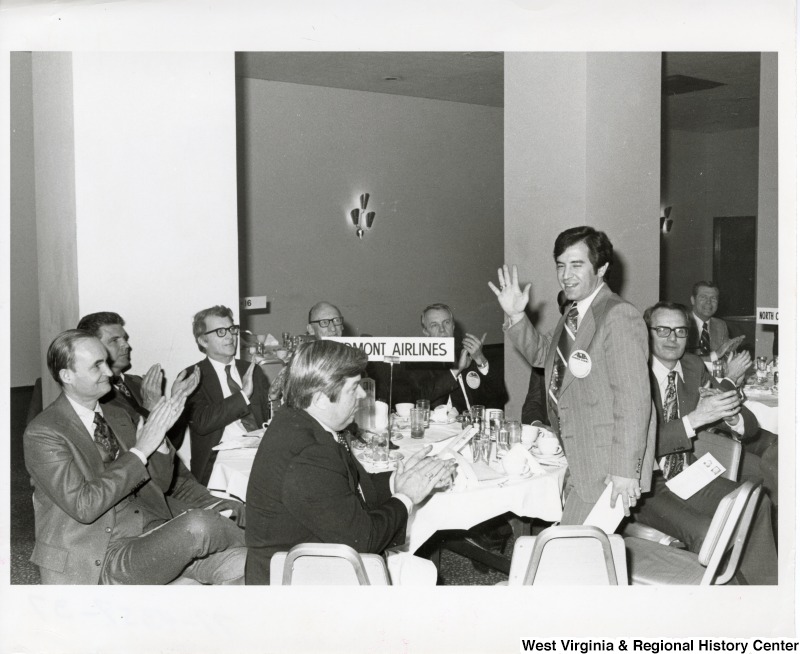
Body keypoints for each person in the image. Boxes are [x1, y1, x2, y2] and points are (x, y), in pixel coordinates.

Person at [24, 330, 246, 585]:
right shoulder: (44, 432)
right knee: (200, 524)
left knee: (252, 566)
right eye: (97, 366)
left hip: (152, 537)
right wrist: (140, 451)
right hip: (101, 556)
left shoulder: (117, 415)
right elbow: (84, 506)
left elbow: (159, 485)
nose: (108, 372)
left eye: (106, 362)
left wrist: (160, 443)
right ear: (67, 376)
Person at [245, 340, 457, 584]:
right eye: (353, 387)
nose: (363, 394)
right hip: (299, 582)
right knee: (424, 580)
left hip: (312, 559)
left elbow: (346, 487)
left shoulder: (301, 422)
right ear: (321, 398)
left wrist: (397, 480)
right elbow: (364, 541)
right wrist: (406, 497)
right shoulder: (309, 455)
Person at [489, 226, 655, 523]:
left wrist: (625, 471)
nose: (566, 275)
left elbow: (635, 400)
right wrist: (516, 316)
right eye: (561, 265)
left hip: (606, 467)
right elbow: (544, 355)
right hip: (579, 456)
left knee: (568, 553)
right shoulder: (574, 313)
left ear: (602, 267)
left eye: (577, 265)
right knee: (577, 553)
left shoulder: (618, 314)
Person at [633, 302, 777, 584]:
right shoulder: (635, 374)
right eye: (662, 330)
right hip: (647, 483)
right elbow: (638, 443)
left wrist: (731, 417)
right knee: (707, 531)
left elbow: (745, 424)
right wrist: (695, 420)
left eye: (680, 331)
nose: (672, 338)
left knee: (756, 503)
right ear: (646, 333)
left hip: (687, 472)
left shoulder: (692, 364)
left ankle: (765, 592)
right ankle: (719, 600)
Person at [184, 305, 272, 486]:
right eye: (221, 331)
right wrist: (243, 396)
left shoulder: (251, 370)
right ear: (203, 341)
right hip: (219, 460)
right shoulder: (192, 376)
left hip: (260, 451)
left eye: (232, 329)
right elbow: (202, 423)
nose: (231, 336)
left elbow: (268, 415)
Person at [402, 303, 507, 413]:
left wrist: (481, 361)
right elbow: (420, 398)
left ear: (453, 326)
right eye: (434, 325)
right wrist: (456, 370)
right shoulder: (417, 361)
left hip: (473, 425)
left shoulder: (468, 353)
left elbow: (498, 398)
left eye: (446, 323)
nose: (442, 329)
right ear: (426, 332)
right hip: (437, 428)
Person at [688, 281, 740, 361]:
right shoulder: (682, 323)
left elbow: (724, 359)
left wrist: (730, 352)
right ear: (693, 300)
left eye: (713, 298)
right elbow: (684, 361)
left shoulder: (720, 325)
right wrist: (716, 354)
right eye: (703, 297)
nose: (708, 302)